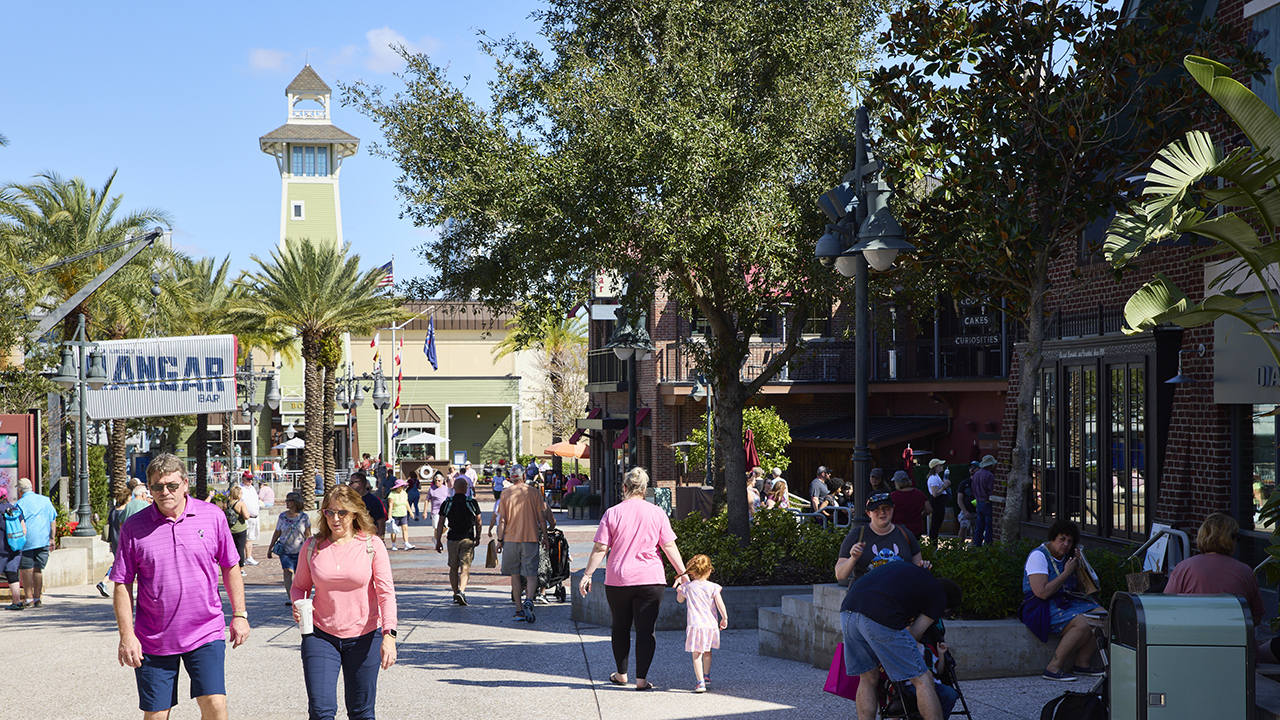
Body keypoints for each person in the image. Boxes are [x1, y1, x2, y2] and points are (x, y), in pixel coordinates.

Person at [110, 453, 249, 720]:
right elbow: (122, 584)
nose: (165, 492)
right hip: (153, 638)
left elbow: (231, 566)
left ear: (185, 484)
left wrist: (240, 615)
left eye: (172, 485)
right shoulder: (133, 527)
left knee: (215, 705)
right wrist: (127, 635)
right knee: (157, 715)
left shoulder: (212, 517)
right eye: (157, 486)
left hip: (205, 631)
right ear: (149, 489)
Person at [291, 485, 398, 720]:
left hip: (365, 636)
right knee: (321, 712)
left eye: (342, 512)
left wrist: (389, 636)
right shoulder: (312, 547)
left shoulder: (372, 545)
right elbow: (299, 587)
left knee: (361, 713)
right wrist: (299, 606)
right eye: (329, 512)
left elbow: (386, 593)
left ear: (354, 513)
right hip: (320, 635)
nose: (335, 518)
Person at [579, 467, 689, 691]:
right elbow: (668, 546)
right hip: (651, 578)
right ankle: (641, 680)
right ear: (645, 489)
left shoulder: (612, 513)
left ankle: (621, 674)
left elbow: (601, 547)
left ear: (624, 488)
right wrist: (682, 573)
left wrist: (587, 574)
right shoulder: (657, 512)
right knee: (646, 629)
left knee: (620, 626)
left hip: (619, 578)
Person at [840, 559, 962, 720]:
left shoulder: (912, 573)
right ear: (947, 606)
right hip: (879, 614)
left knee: (868, 678)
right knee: (922, 678)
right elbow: (915, 634)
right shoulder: (938, 596)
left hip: (848, 608)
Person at [1018, 519, 1104, 681]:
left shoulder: (1068, 557)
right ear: (1053, 538)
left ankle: (1082, 663)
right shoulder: (1039, 556)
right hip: (1041, 605)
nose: (1065, 544)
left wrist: (1080, 568)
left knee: (1101, 616)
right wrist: (1066, 572)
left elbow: (1082, 589)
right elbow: (1041, 593)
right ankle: (1053, 667)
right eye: (1062, 539)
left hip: (1067, 601)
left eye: (1070, 541)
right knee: (1084, 622)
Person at [1164, 513, 1263, 624]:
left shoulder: (1183, 568)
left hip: (1192, 637)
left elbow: (1166, 608)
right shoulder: (1245, 572)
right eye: (1237, 538)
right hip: (1232, 638)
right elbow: (1256, 618)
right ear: (1230, 539)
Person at [835, 493, 928, 585]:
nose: (882, 512)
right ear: (868, 513)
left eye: (886, 507)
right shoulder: (856, 535)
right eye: (876, 509)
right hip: (866, 596)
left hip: (899, 596)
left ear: (893, 509)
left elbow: (917, 570)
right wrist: (853, 559)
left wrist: (922, 568)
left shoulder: (905, 534)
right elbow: (840, 575)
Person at [496, 468, 551, 623]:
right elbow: (541, 518)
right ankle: (530, 600)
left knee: (515, 574)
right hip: (531, 538)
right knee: (531, 574)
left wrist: (500, 540)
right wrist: (545, 537)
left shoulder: (505, 493)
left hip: (511, 540)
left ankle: (519, 609)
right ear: (524, 476)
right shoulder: (534, 492)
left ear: (511, 478)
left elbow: (502, 520)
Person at [676, 554, 727, 694]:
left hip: (696, 625)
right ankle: (707, 676)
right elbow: (720, 604)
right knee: (707, 651)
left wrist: (680, 590)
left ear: (692, 572)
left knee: (696, 654)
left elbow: (680, 600)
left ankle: (700, 683)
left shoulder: (688, 587)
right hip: (710, 625)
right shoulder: (713, 587)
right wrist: (725, 618)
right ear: (709, 570)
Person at [435, 477, 482, 606]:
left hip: (452, 538)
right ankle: (461, 591)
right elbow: (478, 522)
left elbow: (440, 523)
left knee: (453, 567)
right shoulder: (472, 502)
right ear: (464, 488)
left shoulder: (447, 503)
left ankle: (455, 593)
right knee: (465, 567)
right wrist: (478, 536)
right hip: (467, 538)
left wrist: (438, 540)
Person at [14, 477, 56, 608]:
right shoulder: (45, 500)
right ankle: (38, 598)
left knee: (26, 570)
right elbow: (52, 519)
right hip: (43, 540)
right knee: (38, 570)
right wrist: (52, 538)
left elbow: (17, 523)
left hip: (27, 541)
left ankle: (29, 599)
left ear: (20, 490)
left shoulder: (19, 504)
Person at [267, 492, 311, 605]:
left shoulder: (304, 517)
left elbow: (308, 535)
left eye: (289, 500)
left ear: (295, 502)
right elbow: (277, 532)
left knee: (299, 574)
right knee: (287, 572)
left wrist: (310, 550)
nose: (286, 503)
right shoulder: (282, 516)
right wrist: (270, 547)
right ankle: (291, 597)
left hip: (300, 550)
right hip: (285, 551)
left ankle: (299, 597)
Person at [97, 486, 135, 598]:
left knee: (119, 562)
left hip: (114, 540)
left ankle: (106, 583)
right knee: (120, 563)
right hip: (123, 540)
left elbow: (109, 523)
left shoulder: (114, 510)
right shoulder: (125, 511)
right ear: (127, 497)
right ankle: (104, 582)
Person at [0, 486, 24, 611]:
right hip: (15, 547)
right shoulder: (15, 509)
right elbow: (23, 529)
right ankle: (17, 601)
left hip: (1, 549)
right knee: (12, 574)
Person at [889, 470, 932, 538]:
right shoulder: (919, 494)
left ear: (896, 483)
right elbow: (929, 509)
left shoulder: (893, 496)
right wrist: (920, 515)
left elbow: (889, 513)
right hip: (916, 530)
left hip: (898, 530)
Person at [349, 473, 388, 540]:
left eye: (352, 482)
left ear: (359, 484)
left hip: (368, 537)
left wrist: (380, 539)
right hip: (352, 537)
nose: (349, 485)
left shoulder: (373, 500)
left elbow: (381, 521)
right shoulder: (349, 499)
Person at [970, 455, 996, 547]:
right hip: (987, 502)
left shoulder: (976, 475)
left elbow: (973, 489)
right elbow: (991, 490)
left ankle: (977, 547)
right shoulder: (989, 475)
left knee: (979, 527)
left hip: (978, 502)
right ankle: (988, 547)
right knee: (988, 526)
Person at [238, 471, 262, 565]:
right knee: (245, 539)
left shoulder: (252, 488)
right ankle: (244, 557)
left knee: (251, 538)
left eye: (251, 479)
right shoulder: (240, 488)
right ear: (243, 479)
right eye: (248, 479)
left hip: (254, 517)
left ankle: (249, 556)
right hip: (245, 517)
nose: (250, 481)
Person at [226, 485, 249, 575]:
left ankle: (231, 567)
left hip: (229, 530)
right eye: (241, 493)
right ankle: (241, 568)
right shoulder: (240, 504)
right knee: (240, 549)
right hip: (240, 529)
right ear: (237, 494)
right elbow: (246, 516)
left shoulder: (226, 504)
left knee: (231, 549)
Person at [386, 479, 414, 550]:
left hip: (403, 513)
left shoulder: (404, 493)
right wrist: (390, 515)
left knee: (405, 528)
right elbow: (390, 505)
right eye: (401, 486)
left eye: (403, 486)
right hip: (395, 514)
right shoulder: (392, 494)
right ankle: (393, 544)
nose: (402, 487)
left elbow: (406, 503)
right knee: (394, 530)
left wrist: (410, 511)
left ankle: (406, 543)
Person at [926, 459, 951, 539]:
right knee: (935, 524)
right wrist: (944, 487)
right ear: (935, 467)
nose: (942, 466)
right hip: (937, 503)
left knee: (937, 524)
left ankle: (933, 543)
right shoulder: (933, 478)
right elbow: (935, 494)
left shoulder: (937, 477)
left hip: (940, 502)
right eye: (940, 465)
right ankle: (933, 544)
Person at [954, 463, 977, 545]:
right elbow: (959, 499)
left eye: (974, 467)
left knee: (975, 531)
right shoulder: (964, 483)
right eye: (970, 467)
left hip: (977, 511)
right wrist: (965, 511)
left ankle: (973, 549)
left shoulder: (980, 482)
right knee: (963, 526)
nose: (972, 469)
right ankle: (959, 547)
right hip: (966, 510)